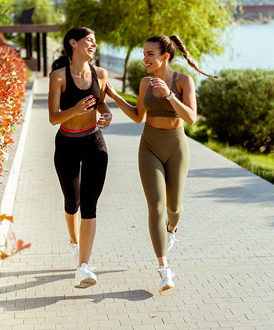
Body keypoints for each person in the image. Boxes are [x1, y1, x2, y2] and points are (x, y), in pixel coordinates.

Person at [105, 34, 217, 291]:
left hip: (176, 146)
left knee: (174, 207)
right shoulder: (145, 82)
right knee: (155, 206)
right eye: (143, 54)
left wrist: (169, 95)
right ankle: (164, 268)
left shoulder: (183, 81)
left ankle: (172, 227)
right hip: (149, 146)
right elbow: (137, 116)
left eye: (150, 54)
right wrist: (113, 95)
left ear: (165, 56)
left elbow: (191, 118)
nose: (144, 58)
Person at [48, 27, 112, 289]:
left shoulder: (101, 74)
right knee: (71, 202)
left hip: (94, 142)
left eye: (96, 42)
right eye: (89, 40)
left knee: (90, 204)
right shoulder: (59, 76)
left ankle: (83, 266)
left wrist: (107, 114)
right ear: (73, 43)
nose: (93, 45)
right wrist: (73, 110)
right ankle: (74, 242)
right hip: (67, 144)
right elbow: (53, 117)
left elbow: (101, 103)